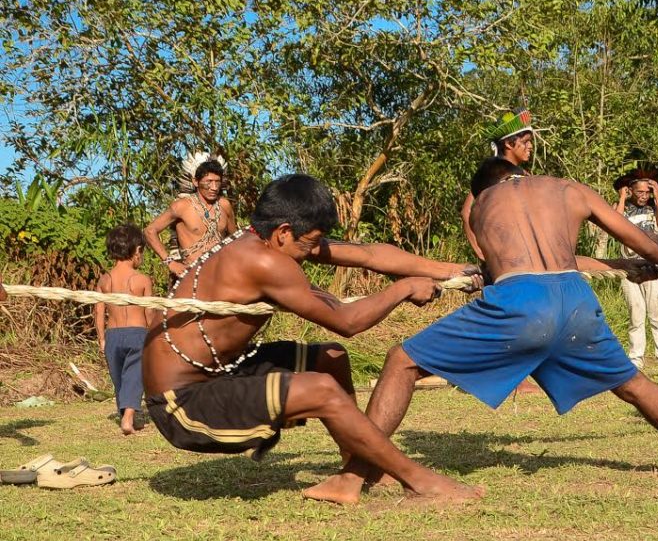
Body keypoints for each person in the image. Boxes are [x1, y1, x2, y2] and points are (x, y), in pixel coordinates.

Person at [325, 157, 658, 504]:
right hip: (574, 298)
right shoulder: (568, 189)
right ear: (523, 176)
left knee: (403, 361)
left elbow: (506, 268)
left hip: (519, 301)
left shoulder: (481, 206)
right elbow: (640, 244)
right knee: (632, 384)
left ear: (482, 190)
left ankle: (352, 479)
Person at [142, 174, 484, 506]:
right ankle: (420, 482)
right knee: (322, 389)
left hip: (220, 370)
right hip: (181, 406)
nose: (313, 251)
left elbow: (368, 254)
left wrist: (448, 270)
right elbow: (347, 322)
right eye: (310, 243)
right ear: (283, 232)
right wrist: (404, 288)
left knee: (331, 357)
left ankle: (355, 471)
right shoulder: (263, 261)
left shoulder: (266, 237)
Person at [94, 224, 155, 435]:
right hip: (137, 334)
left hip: (112, 335)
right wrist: (153, 333)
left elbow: (98, 311)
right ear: (137, 250)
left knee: (119, 378)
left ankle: (128, 415)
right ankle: (128, 417)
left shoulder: (104, 280)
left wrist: (101, 338)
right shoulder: (142, 279)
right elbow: (149, 312)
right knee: (134, 375)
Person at [614, 167, 658, 369]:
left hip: (655, 268)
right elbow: (614, 226)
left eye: (647, 192)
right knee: (636, 314)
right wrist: (622, 199)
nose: (643, 196)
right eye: (640, 192)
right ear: (630, 190)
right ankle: (636, 356)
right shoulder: (622, 208)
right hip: (630, 268)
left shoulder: (654, 208)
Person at [144, 159, 238, 279]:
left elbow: (235, 240)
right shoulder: (181, 206)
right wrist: (170, 262)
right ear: (196, 182)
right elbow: (150, 231)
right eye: (209, 182)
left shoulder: (224, 205)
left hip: (221, 274)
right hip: (191, 275)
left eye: (217, 182)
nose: (214, 187)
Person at [461, 108, 535, 261]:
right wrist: (480, 252)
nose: (530, 146)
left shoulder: (520, 174)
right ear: (508, 144)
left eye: (530, 141)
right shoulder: (495, 175)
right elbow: (466, 212)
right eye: (525, 142)